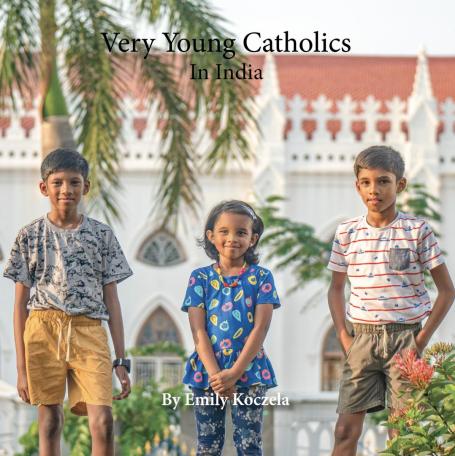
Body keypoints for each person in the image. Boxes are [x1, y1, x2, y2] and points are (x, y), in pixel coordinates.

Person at [3, 148, 133, 456]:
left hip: (90, 330)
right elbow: (19, 304)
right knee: (49, 421)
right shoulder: (29, 236)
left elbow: (112, 301)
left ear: (85, 187)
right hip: (43, 329)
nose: (66, 190)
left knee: (103, 421)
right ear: (44, 187)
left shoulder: (102, 236)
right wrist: (21, 368)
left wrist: (121, 360)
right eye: (58, 183)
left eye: (74, 182)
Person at [327, 145, 455, 455]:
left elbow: (447, 291)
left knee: (404, 433)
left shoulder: (417, 231)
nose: (375, 190)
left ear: (400, 184)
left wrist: (420, 340)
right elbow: (335, 289)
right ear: (358, 186)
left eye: (383, 181)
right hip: (362, 340)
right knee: (345, 431)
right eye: (367, 182)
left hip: (405, 339)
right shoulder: (347, 233)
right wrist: (344, 336)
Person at [181, 200, 280, 455]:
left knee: (249, 444)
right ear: (211, 236)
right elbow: (198, 331)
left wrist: (235, 373)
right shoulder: (199, 278)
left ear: (253, 238)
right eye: (224, 231)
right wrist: (218, 378)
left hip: (250, 372)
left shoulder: (261, 278)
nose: (232, 238)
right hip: (207, 374)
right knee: (208, 445)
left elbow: (261, 328)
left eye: (241, 232)